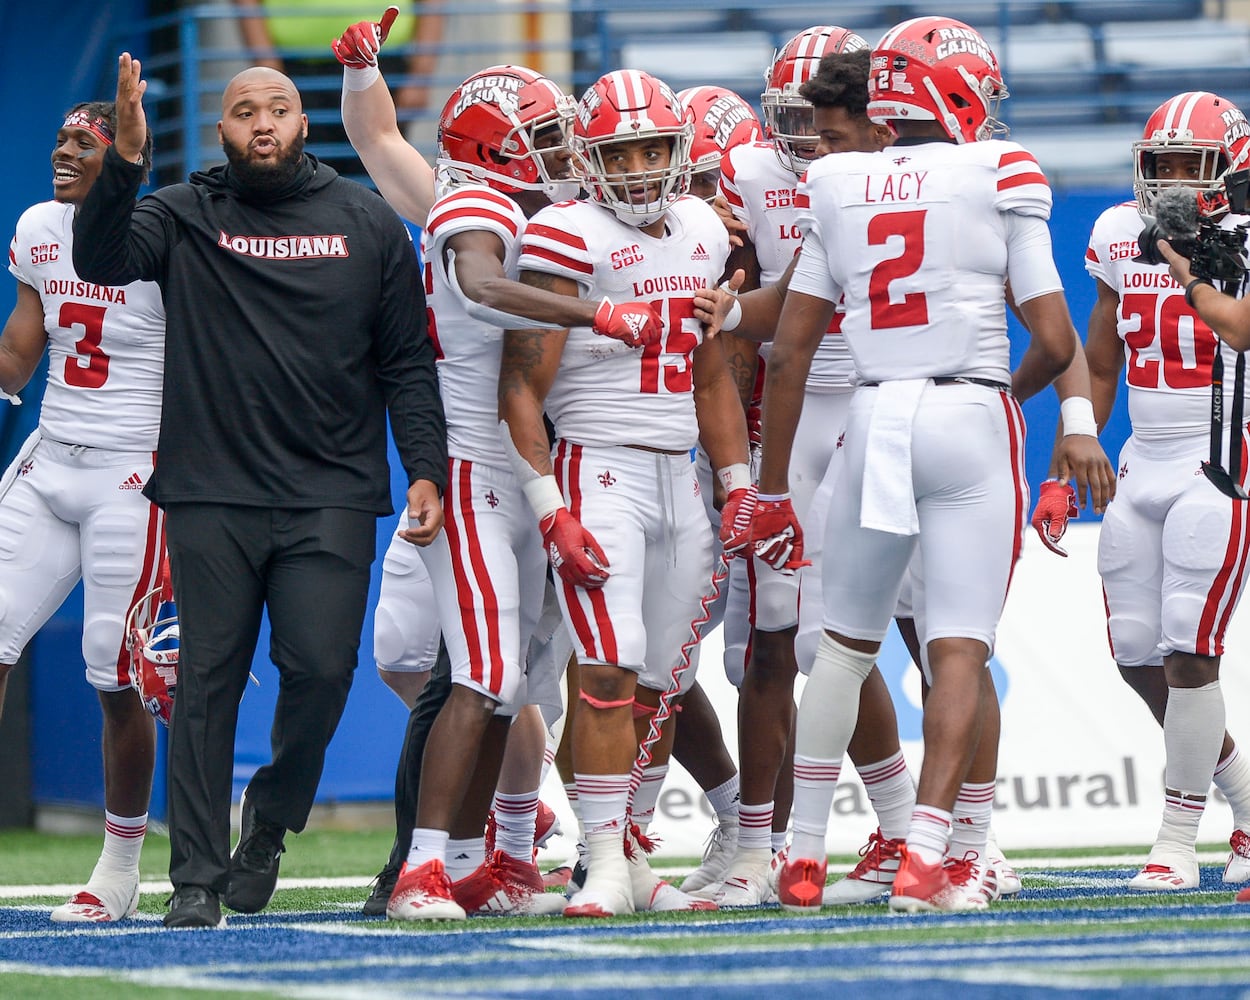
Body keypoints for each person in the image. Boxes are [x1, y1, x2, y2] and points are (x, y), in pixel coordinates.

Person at [72, 54, 448, 929]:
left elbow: (405, 363)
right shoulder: (182, 211)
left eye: (278, 108)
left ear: (305, 122)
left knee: (320, 674)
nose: (263, 123)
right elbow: (100, 258)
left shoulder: (366, 221)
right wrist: (125, 163)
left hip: (332, 493)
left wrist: (423, 466)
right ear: (223, 130)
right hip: (211, 492)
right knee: (207, 682)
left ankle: (269, 824)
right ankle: (195, 879)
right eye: (244, 111)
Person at [748, 15, 1084, 914]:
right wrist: (1000, 394)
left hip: (868, 413)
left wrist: (771, 490)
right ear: (961, 91)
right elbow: (1054, 340)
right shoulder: (1000, 170)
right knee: (957, 650)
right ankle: (930, 860)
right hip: (966, 404)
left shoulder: (833, 179)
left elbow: (786, 349)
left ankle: (806, 855)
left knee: (844, 650)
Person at [499, 68, 751, 918]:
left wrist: (737, 484)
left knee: (659, 683)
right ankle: (599, 861)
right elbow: (522, 387)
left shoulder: (703, 234)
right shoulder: (565, 233)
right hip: (597, 462)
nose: (640, 168)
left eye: (653, 148)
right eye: (622, 152)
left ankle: (632, 856)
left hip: (679, 470)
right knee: (604, 671)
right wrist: (549, 506)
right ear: (587, 157)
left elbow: (711, 375)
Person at [0, 100, 160, 924]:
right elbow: (25, 342)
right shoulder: (36, 225)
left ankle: (120, 864)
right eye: (59, 137)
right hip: (51, 456)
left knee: (112, 673)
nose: (63, 151)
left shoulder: (160, 235)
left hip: (130, 476)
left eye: (83, 142)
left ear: (123, 154)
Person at [1100, 92, 1250, 888]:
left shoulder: (1246, 235)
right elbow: (1097, 350)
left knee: (1193, 649)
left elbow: (1241, 329)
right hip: (1142, 457)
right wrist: (1080, 437)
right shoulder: (1119, 234)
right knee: (1134, 652)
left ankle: (1177, 841)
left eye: (1190, 167)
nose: (1172, 183)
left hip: (1223, 454)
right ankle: (1247, 806)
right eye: (1159, 166)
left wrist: (1189, 267)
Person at [233, 1, 443, 167]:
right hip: (296, 71)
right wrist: (271, 73)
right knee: (305, 176)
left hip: (383, 63)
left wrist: (420, 75)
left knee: (383, 173)